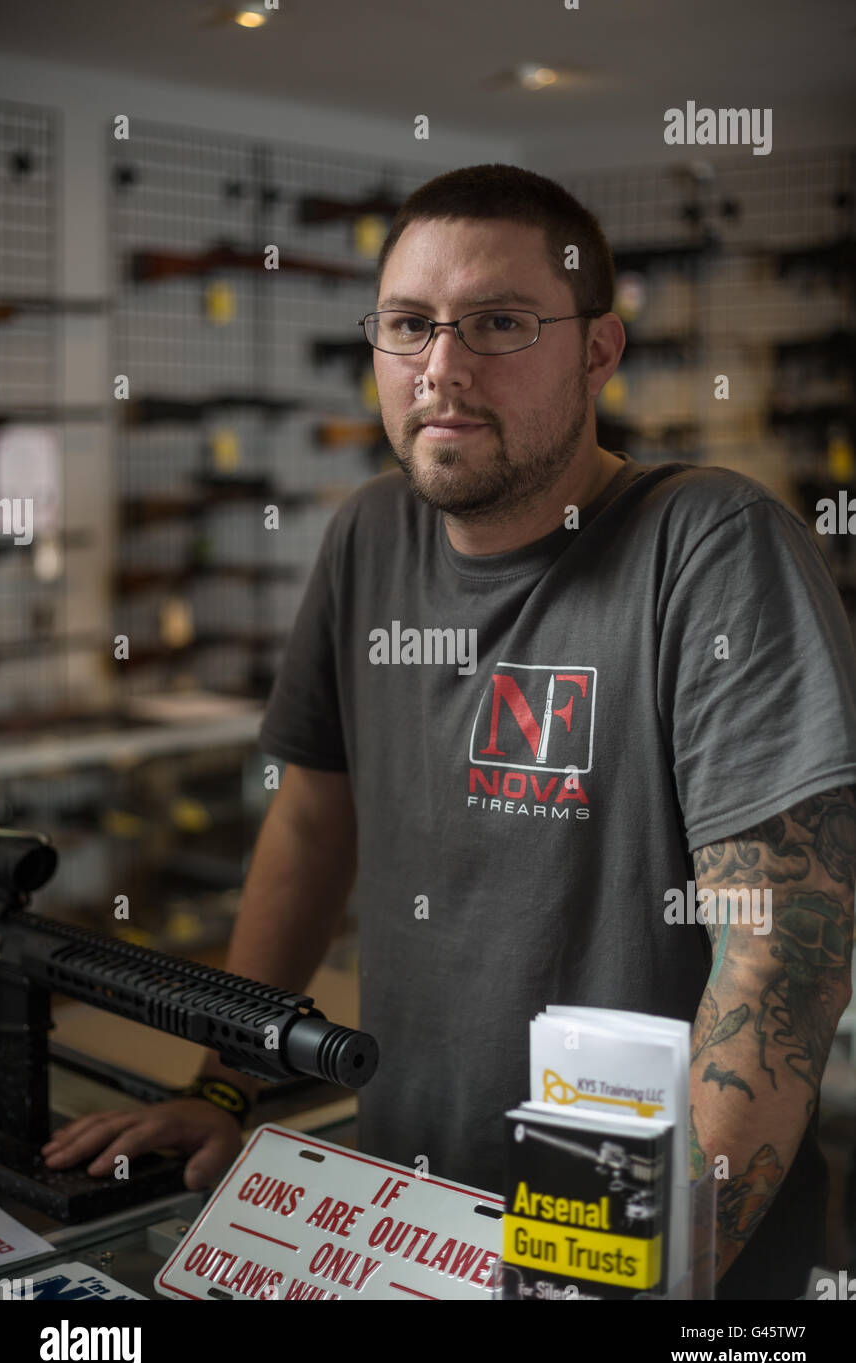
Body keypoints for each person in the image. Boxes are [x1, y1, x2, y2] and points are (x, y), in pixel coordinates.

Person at [42, 164, 856, 1301]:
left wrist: (657, 1266)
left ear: (596, 352)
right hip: (405, 1217)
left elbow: (776, 950)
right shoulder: (366, 537)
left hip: (652, 1257)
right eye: (409, 325)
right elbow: (312, 820)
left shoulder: (709, 544)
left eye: (500, 324)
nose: (442, 367)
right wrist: (228, 1082)